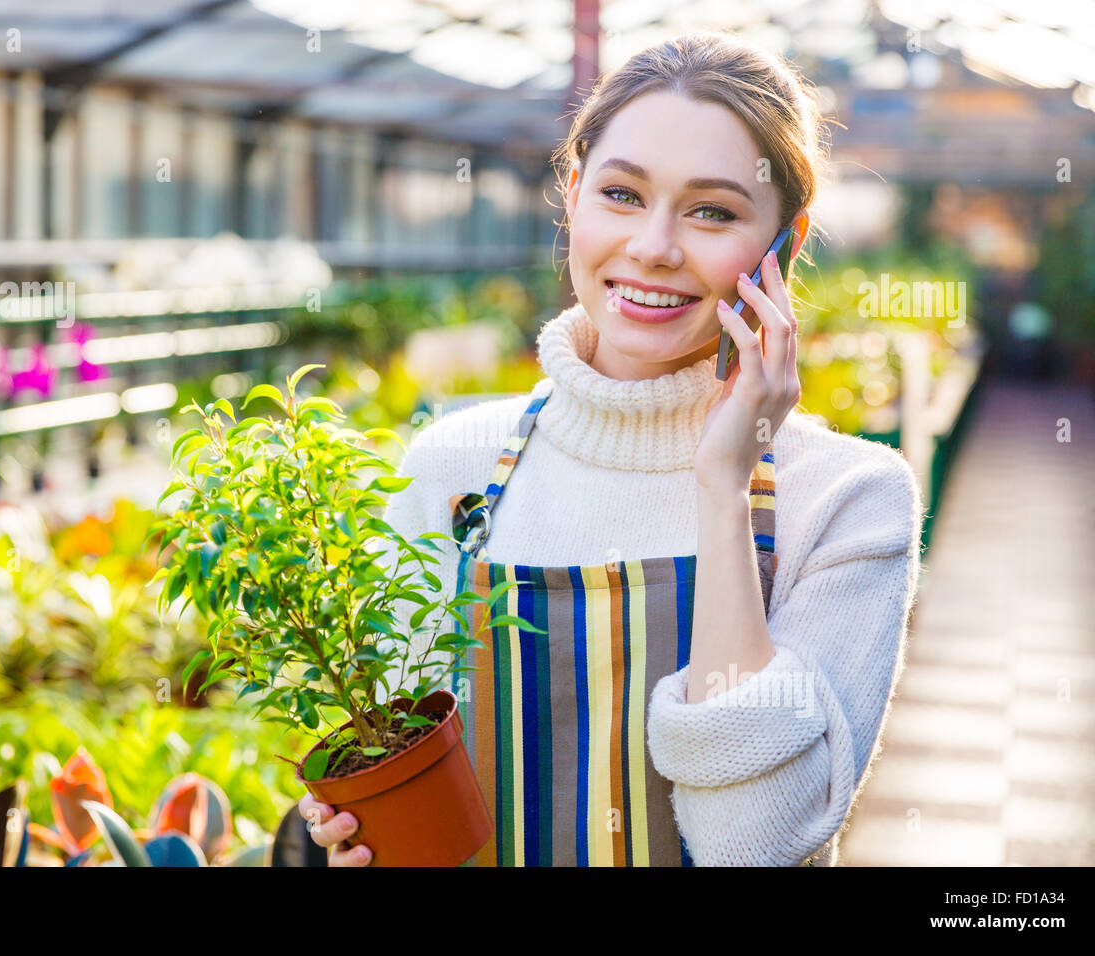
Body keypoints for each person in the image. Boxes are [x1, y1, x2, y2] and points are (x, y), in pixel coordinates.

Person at [302, 29, 923, 867]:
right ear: (574, 191)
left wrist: (723, 484)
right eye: (623, 195)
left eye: (714, 211)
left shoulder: (848, 500)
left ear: (786, 243)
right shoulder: (449, 468)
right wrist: (343, 839)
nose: (655, 246)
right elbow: (397, 783)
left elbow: (755, 848)